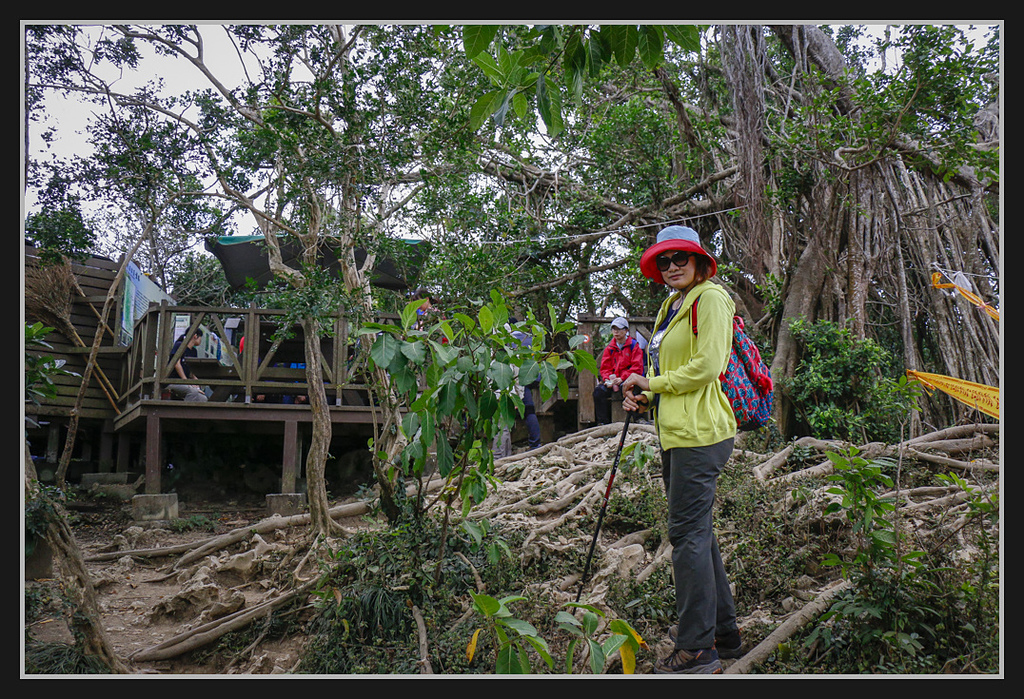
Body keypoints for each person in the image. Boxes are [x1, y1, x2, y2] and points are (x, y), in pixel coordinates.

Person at [621, 225, 742, 675]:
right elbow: (669, 369)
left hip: (701, 435)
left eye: (681, 259)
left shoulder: (711, 298)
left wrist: (652, 384)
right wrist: (647, 393)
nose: (672, 267)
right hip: (676, 432)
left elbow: (708, 366)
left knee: (686, 536)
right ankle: (725, 634)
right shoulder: (672, 305)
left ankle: (696, 648)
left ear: (699, 261)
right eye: (665, 261)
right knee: (698, 534)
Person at [592, 317, 643, 425]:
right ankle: (602, 423)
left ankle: (638, 419)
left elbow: (637, 367)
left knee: (631, 390)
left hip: (628, 380)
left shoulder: (634, 346)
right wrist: (608, 379)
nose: (616, 331)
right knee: (598, 392)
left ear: (626, 330)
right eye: (614, 329)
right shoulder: (609, 348)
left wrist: (623, 378)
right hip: (613, 381)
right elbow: (605, 368)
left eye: (619, 329)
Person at [169, 329, 209, 402]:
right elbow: (177, 364)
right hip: (173, 381)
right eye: (200, 337)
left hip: (186, 383)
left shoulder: (194, 351)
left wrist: (197, 385)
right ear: (195, 336)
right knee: (192, 392)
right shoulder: (179, 345)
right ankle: (184, 412)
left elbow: (192, 371)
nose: (201, 340)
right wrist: (187, 382)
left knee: (203, 398)